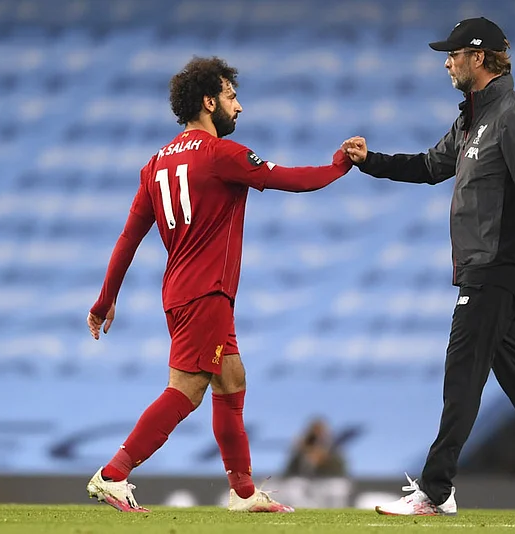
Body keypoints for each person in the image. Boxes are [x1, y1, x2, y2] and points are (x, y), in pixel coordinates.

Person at [342, 17, 515, 518]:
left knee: (461, 374)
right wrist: (370, 160)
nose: (447, 63)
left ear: (478, 57)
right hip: (483, 269)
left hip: (495, 268)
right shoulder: (473, 118)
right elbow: (429, 166)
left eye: (454, 54)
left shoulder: (513, 116)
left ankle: (436, 490)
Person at [85, 56, 352, 513]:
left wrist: (105, 299)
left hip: (182, 291)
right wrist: (340, 164)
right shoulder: (221, 155)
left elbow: (129, 238)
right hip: (205, 292)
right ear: (209, 102)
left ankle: (243, 493)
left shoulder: (155, 165)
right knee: (186, 390)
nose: (239, 107)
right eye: (231, 97)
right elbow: (294, 180)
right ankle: (113, 474)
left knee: (231, 380)